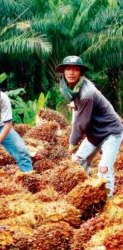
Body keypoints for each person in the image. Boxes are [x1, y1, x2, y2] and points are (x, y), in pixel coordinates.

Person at [56, 55, 123, 197]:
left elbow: (81, 123)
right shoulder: (69, 86)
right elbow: (79, 104)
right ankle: (83, 193)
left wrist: (72, 144)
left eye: (75, 69)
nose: (71, 73)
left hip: (110, 132)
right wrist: (76, 104)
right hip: (95, 132)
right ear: (63, 71)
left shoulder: (87, 93)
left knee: (103, 168)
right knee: (77, 163)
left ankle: (107, 199)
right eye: (68, 69)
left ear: (81, 72)